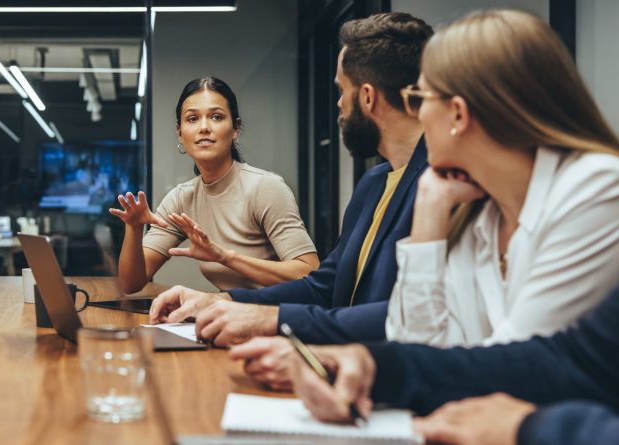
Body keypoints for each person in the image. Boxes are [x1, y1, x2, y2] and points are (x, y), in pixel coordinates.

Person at [284, 5, 619, 445]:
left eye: (420, 98)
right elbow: (424, 344)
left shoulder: (598, 187)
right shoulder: (475, 209)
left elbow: (539, 375)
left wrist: (388, 369)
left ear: (456, 113)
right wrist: (429, 219)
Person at [147, 13, 434, 348]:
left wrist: (273, 319)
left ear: (368, 97)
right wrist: (221, 301)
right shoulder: (374, 183)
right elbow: (325, 286)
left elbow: (414, 316)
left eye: (342, 91)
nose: (339, 105)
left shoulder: (443, 186)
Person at [110, 76, 319, 293]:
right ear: (180, 133)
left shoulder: (265, 188)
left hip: (280, 319)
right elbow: (131, 284)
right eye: (192, 119)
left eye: (216, 117)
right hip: (229, 318)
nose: (204, 128)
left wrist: (224, 257)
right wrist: (134, 229)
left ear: (235, 129)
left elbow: (309, 275)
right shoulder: (182, 198)